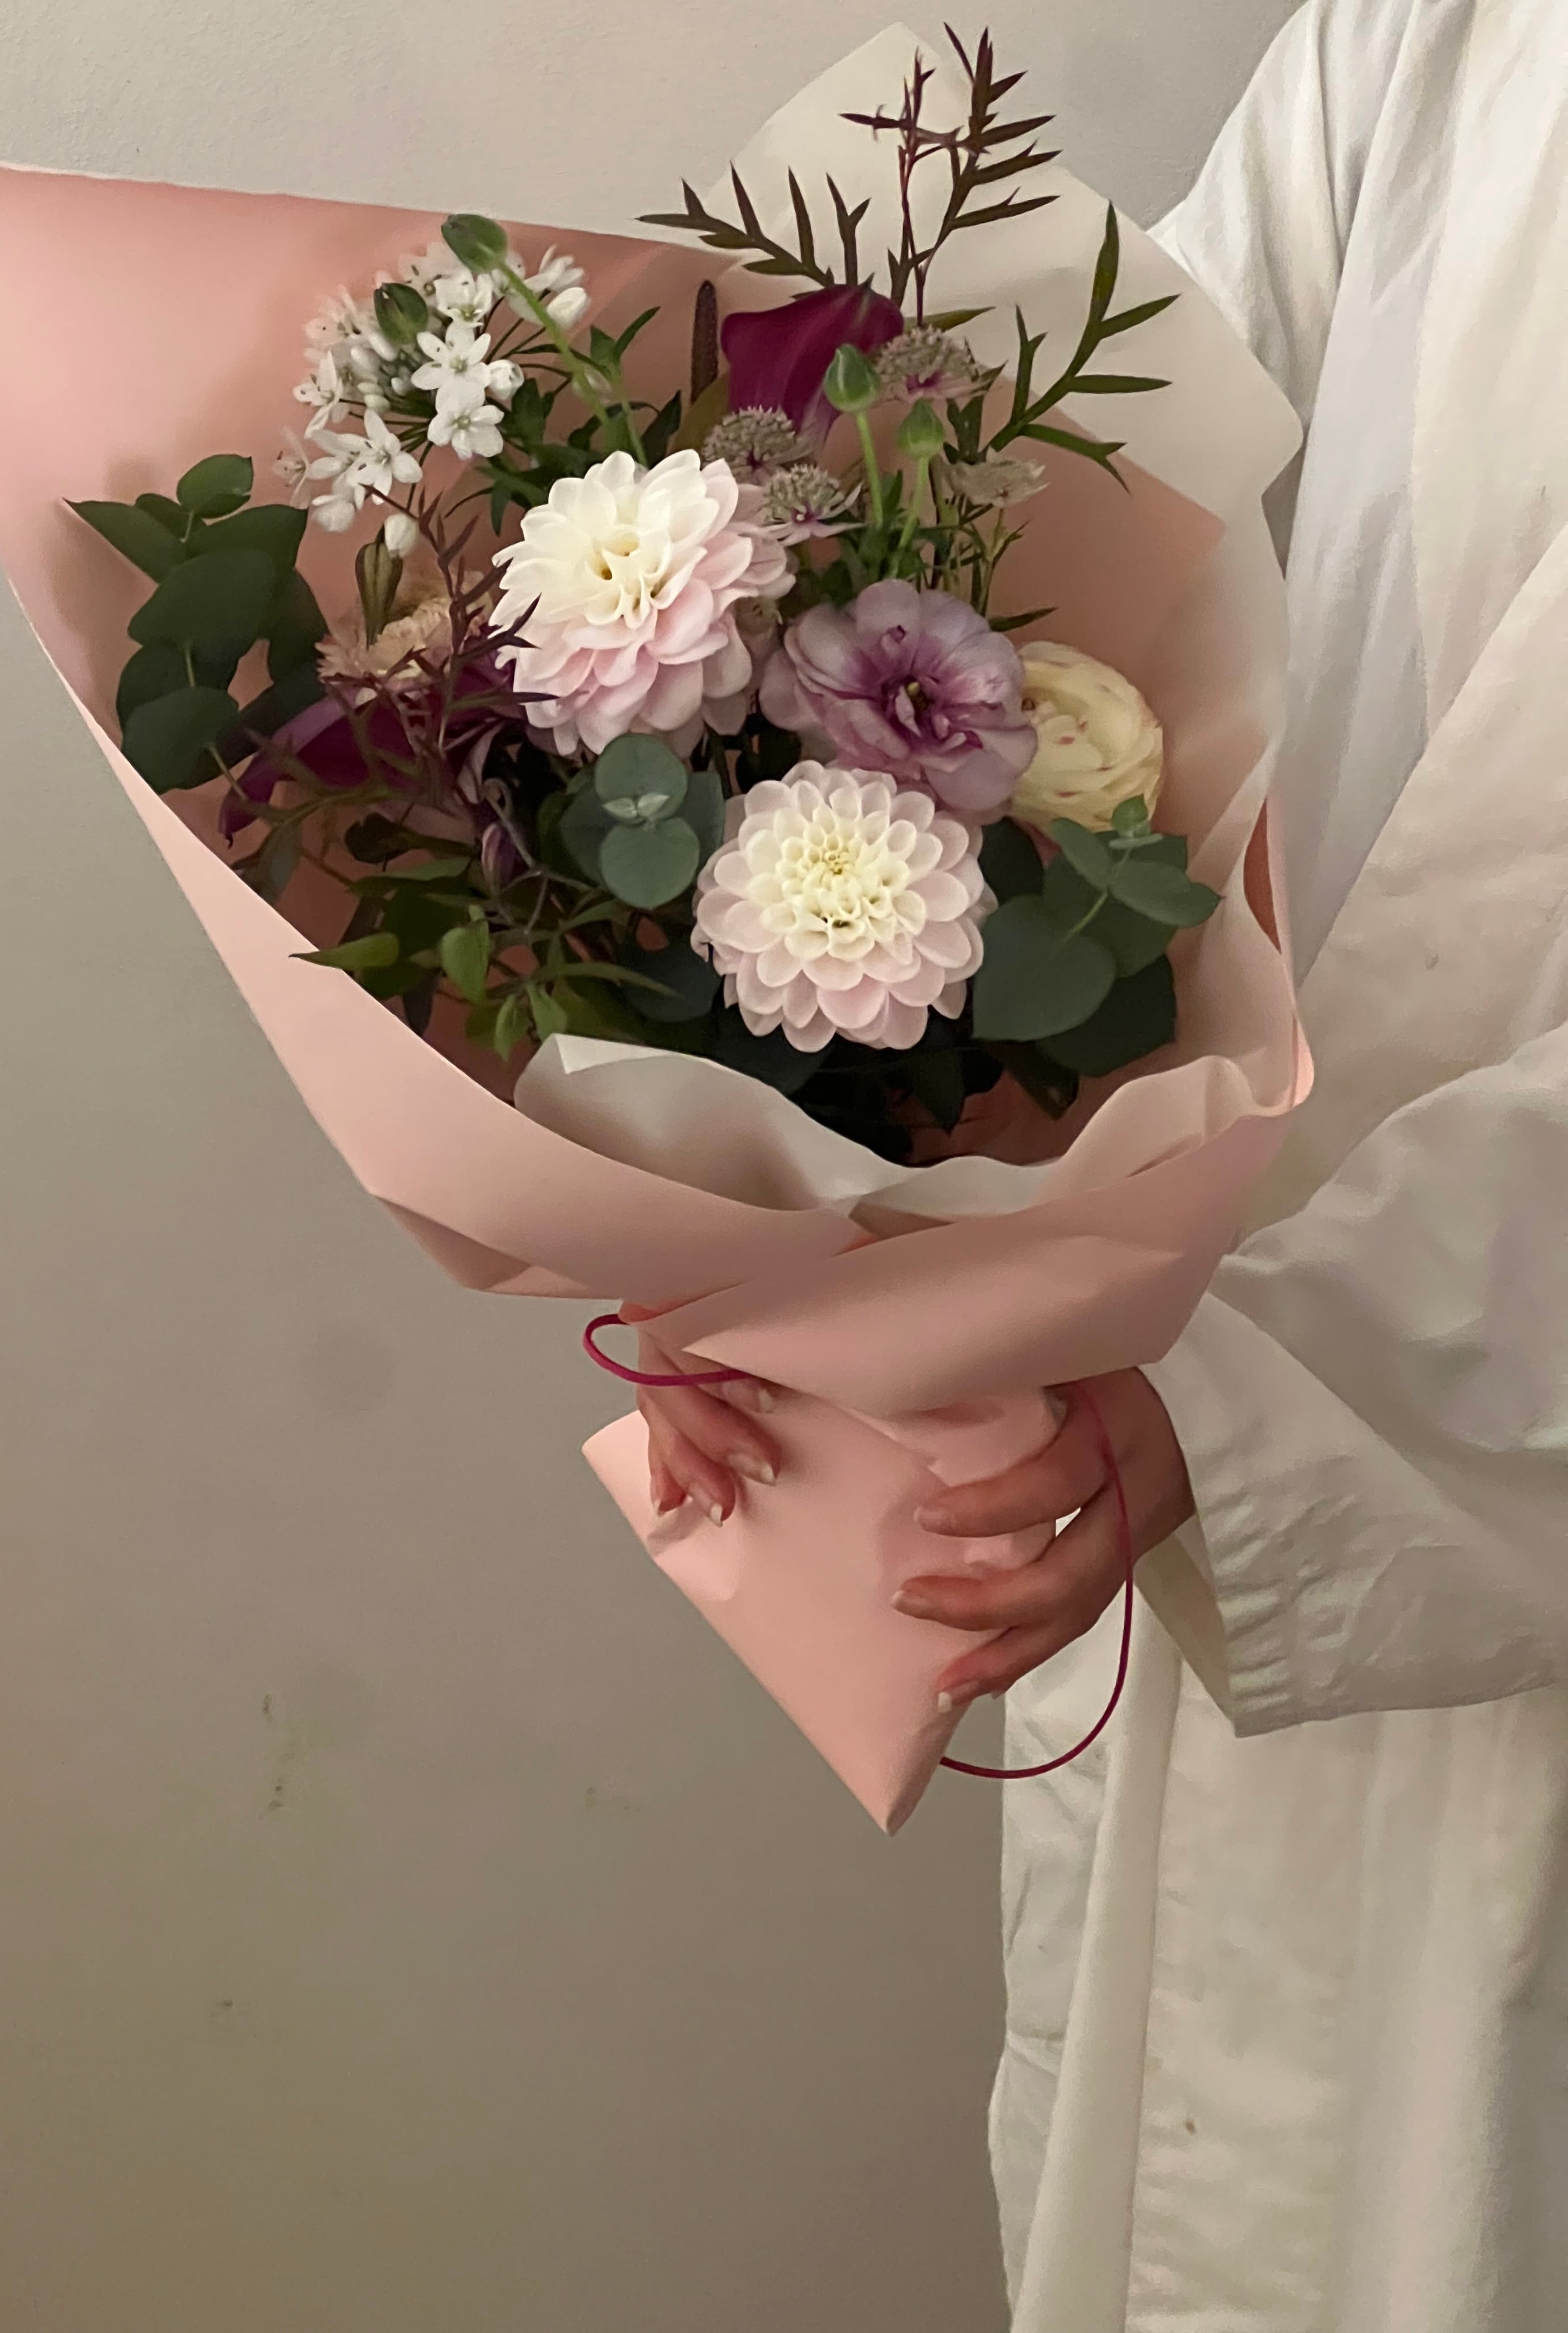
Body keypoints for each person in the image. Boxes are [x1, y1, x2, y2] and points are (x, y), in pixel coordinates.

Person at [636, 1, 1568, 2320]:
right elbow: (1043, 517)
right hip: (1162, 1396)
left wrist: (1243, 1408)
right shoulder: (1438, 41)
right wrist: (765, 1164)